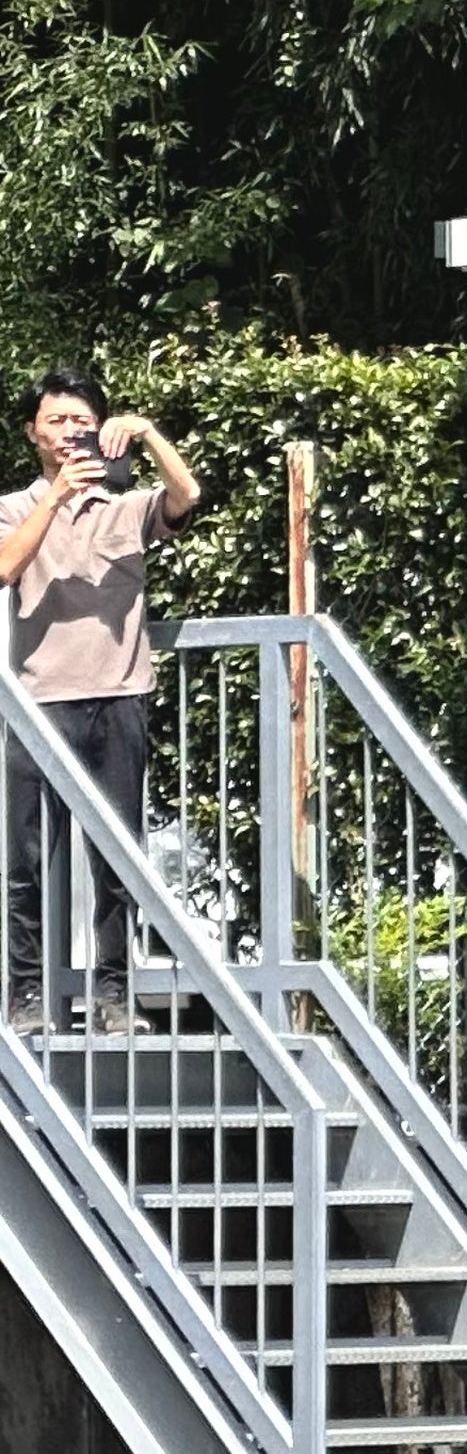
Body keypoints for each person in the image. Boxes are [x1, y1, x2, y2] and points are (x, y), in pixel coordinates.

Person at [0, 366, 203, 1022]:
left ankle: (114, 991)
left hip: (119, 695)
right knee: (29, 859)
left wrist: (147, 434)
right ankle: (29, 991)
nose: (70, 432)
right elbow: (4, 567)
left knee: (118, 853)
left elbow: (186, 495)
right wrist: (56, 498)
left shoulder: (125, 506)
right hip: (39, 703)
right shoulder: (15, 506)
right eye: (56, 420)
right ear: (33, 431)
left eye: (82, 420)